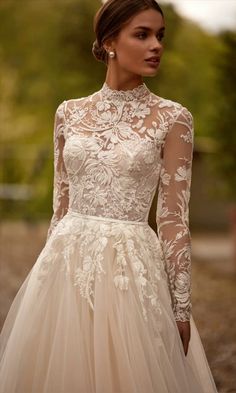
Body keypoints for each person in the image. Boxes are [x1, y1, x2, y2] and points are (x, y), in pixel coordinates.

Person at [0, 0, 218, 392]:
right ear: (109, 41)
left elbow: (172, 220)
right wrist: (47, 277)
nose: (156, 46)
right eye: (142, 34)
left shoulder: (173, 118)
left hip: (129, 271)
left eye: (160, 36)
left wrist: (181, 306)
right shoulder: (68, 113)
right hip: (65, 267)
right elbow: (60, 206)